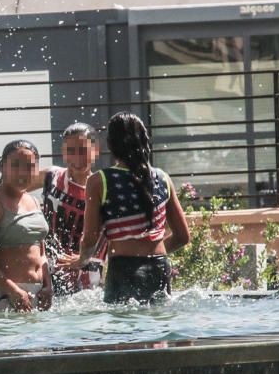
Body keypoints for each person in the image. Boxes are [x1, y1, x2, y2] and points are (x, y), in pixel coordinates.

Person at [68, 112, 190, 304]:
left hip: (123, 268)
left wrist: (81, 261)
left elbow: (90, 238)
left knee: (123, 330)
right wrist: (151, 255)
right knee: (158, 327)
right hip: (158, 267)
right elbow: (183, 237)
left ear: (110, 145)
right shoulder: (162, 177)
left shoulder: (100, 181)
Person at [0, 140, 53, 312]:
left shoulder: (34, 201)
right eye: (15, 165)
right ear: (2, 167)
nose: (23, 172)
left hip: (35, 295)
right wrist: (12, 290)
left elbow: (41, 252)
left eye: (29, 166)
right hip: (1, 296)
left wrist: (48, 286)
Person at [29, 122, 106, 296]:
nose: (77, 159)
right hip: (48, 274)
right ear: (63, 152)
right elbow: (11, 188)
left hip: (89, 284)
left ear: (95, 151)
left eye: (83, 151)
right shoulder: (51, 176)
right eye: (70, 151)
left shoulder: (103, 187)